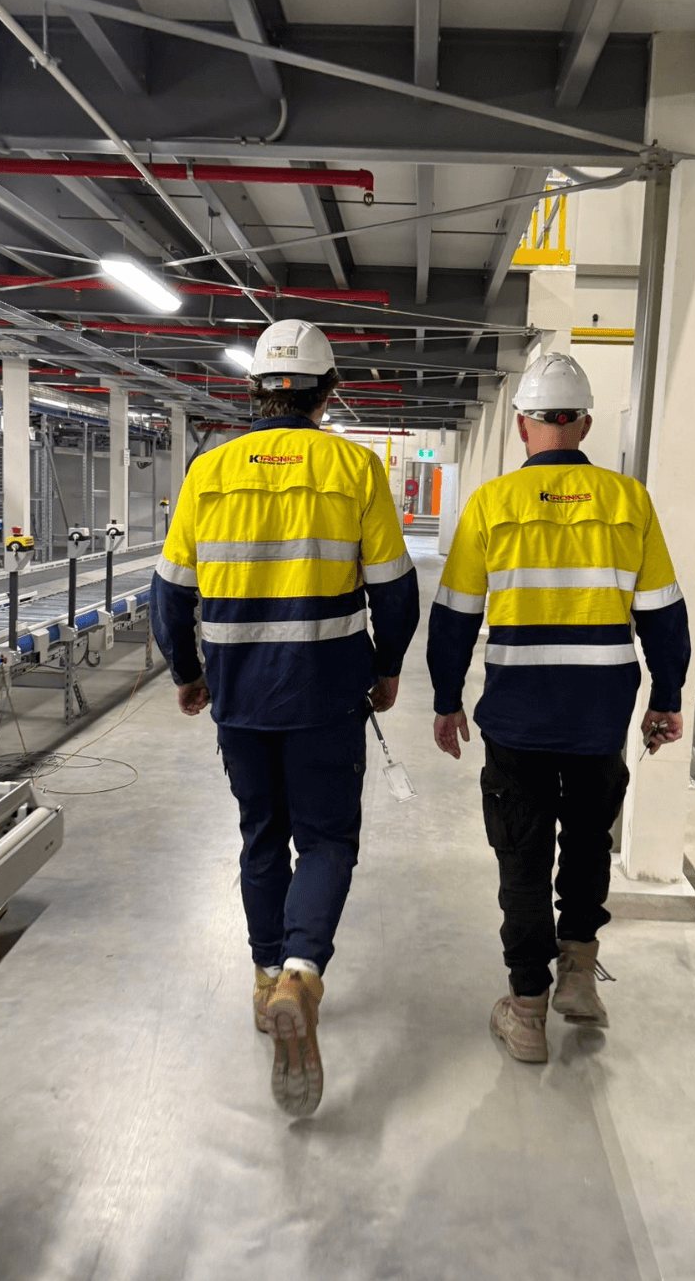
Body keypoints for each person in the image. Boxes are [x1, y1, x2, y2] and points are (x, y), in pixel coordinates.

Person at [151, 319, 419, 1114]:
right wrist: (387, 667)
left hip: (239, 693)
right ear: (328, 392)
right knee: (328, 839)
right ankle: (303, 972)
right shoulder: (354, 467)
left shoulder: (209, 470)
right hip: (326, 691)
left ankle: (266, 975)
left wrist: (188, 672)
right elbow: (395, 591)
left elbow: (170, 593)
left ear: (256, 389)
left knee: (261, 835)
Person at [426, 353, 690, 1064]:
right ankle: (578, 973)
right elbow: (664, 614)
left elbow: (453, 616)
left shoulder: (490, 505)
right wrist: (667, 697)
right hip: (600, 711)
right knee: (586, 842)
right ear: (586, 424)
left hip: (518, 713)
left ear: (520, 427)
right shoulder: (627, 501)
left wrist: (447, 699)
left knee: (521, 854)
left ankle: (527, 1010)